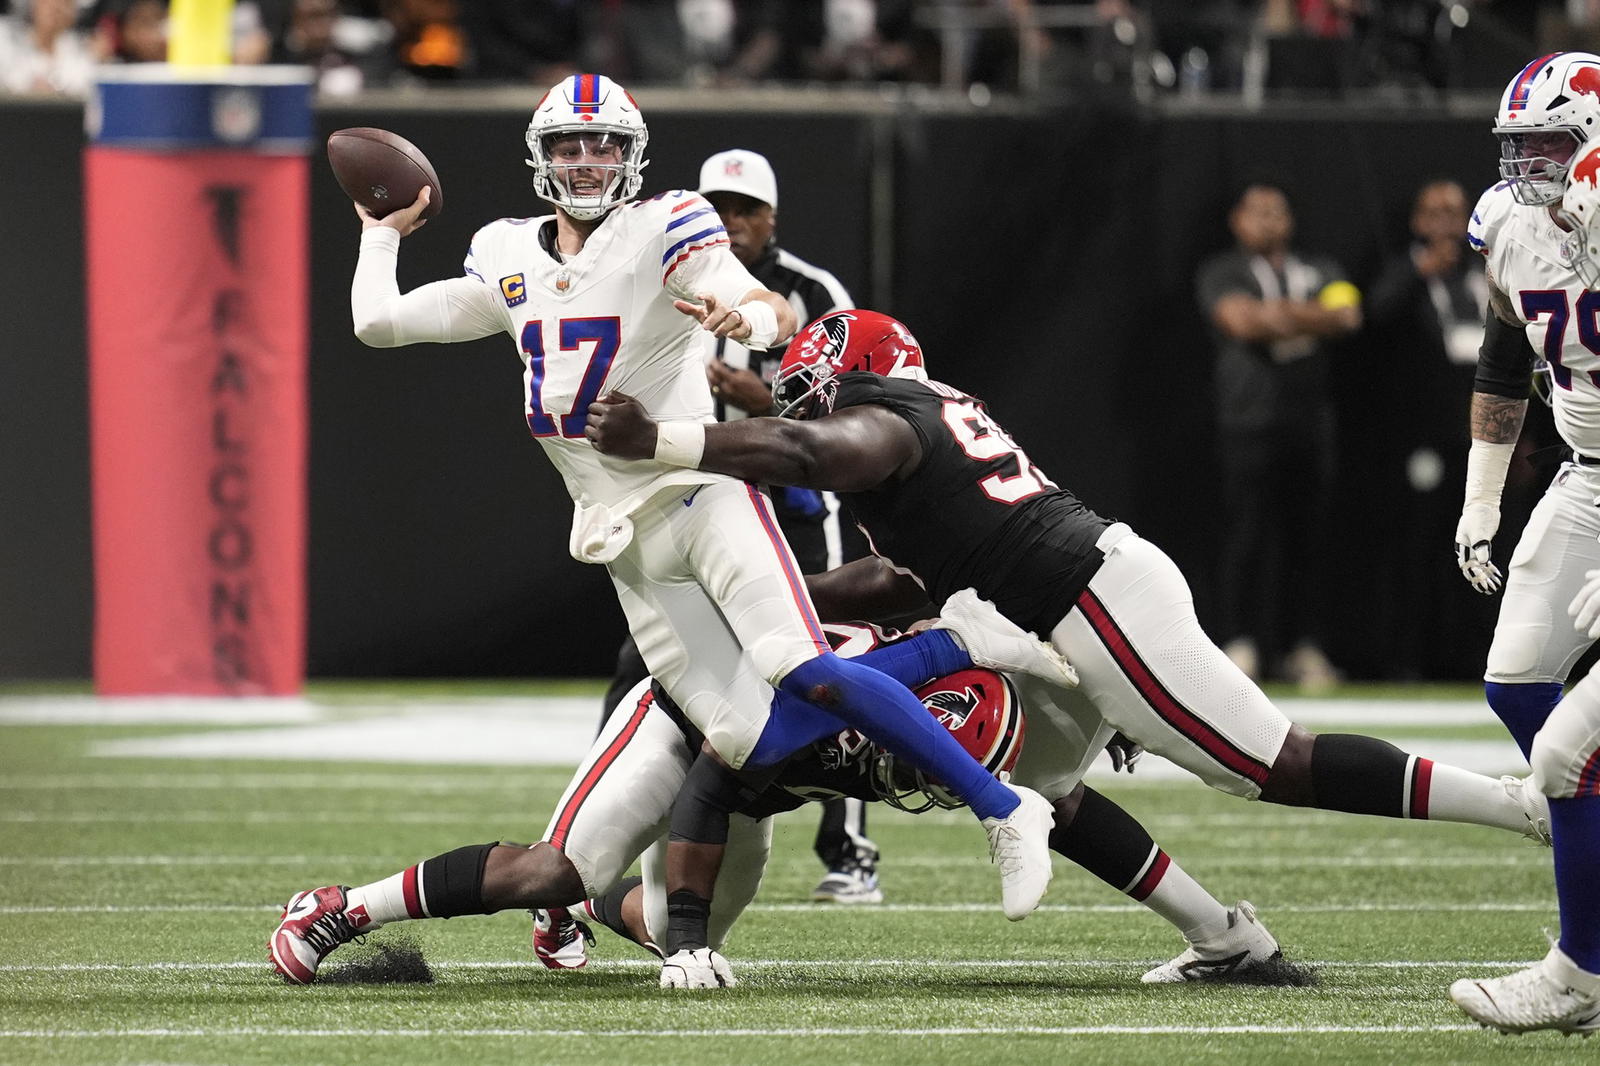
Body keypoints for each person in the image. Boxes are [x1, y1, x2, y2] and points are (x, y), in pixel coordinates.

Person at [335, 74, 1067, 972]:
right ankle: (957, 641)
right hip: (624, 538)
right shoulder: (505, 252)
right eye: (570, 145)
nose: (587, 162)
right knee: (749, 740)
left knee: (801, 666)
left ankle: (1004, 809)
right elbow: (378, 324)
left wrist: (745, 313)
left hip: (701, 494)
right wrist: (379, 233)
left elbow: (765, 307)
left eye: (605, 145)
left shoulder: (668, 223)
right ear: (541, 156)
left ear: (632, 155)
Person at [584, 309, 1554, 883]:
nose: (808, 408)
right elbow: (895, 577)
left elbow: (805, 449)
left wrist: (662, 441)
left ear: (862, 379)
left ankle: (1523, 807)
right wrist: (763, 588)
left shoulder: (891, 420)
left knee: (1272, 764)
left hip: (1084, 600)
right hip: (1067, 608)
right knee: (1055, 782)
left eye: (816, 391)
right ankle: (1222, 935)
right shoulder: (929, 429)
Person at [270, 607, 1286, 988]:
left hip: (761, 783)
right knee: (558, 867)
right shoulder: (838, 709)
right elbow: (716, 779)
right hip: (690, 724)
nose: (919, 780)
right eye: (923, 761)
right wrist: (696, 939)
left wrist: (1107, 716)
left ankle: (585, 912)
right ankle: (339, 909)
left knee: (662, 924)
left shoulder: (964, 682)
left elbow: (1060, 793)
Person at [599, 147, 880, 905]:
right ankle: (599, 830)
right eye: (716, 207)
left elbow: (854, 406)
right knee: (646, 659)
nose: (728, 221)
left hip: (793, 499)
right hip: (698, 495)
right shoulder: (667, 271)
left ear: (771, 218)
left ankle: (849, 852)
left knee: (825, 657)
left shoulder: (812, 292)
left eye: (743, 209)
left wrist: (767, 400)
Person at [1445, 52, 1600, 1035]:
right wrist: (1482, 498)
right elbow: (1506, 358)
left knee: (1567, 754)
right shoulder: (1509, 223)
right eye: (1516, 146)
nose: (1523, 167)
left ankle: (1579, 975)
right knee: (1516, 681)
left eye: (1546, 145)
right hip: (1587, 477)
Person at [1195, 183, 1362, 691]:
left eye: (1277, 211)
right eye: (1257, 212)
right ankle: (1240, 642)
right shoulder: (1222, 270)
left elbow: (1347, 315)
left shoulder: (1320, 267)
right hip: (1248, 421)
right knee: (1246, 534)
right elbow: (1241, 322)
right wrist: (1309, 318)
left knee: (1306, 539)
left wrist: (1278, 317)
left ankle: (1301, 646)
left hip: (1308, 423)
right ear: (1237, 220)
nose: (1268, 221)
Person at [1363, 180, 1494, 679]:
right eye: (1433, 212)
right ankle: (1407, 661)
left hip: (1480, 437)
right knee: (1417, 546)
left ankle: (1476, 658)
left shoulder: (1486, 273)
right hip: (1420, 437)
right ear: (1417, 221)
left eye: (1454, 212)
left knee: (1483, 546)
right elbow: (1376, 313)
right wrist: (1420, 271)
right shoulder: (1403, 272)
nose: (1444, 223)